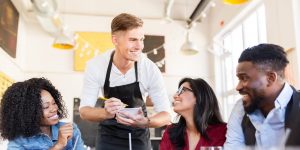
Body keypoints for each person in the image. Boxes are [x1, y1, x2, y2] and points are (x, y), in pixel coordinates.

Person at [79, 13, 172, 150]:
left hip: (139, 137)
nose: (139, 46)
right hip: (108, 138)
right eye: (133, 39)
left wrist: (145, 122)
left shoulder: (149, 69)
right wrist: (106, 113)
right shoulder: (96, 66)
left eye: (142, 39)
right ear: (115, 40)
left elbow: (166, 115)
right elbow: (84, 111)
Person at [224, 43, 300, 149]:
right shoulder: (240, 108)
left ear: (270, 78)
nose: (238, 87)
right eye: (239, 79)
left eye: (244, 78)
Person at [0, 78, 84, 150]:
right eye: (46, 107)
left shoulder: (71, 130)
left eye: (54, 103)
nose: (54, 109)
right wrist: (58, 145)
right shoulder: (18, 140)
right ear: (29, 113)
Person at [160, 77, 227, 150]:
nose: (175, 96)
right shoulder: (170, 132)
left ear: (198, 97)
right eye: (177, 91)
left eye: (182, 90)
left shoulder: (224, 132)